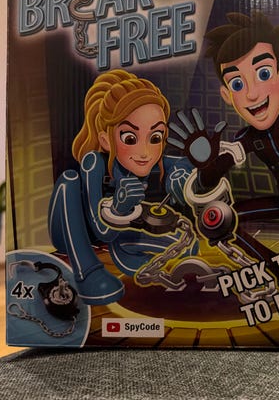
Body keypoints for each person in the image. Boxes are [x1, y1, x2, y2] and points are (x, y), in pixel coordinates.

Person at [168, 8, 279, 326]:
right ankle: (274, 265)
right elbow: (212, 177)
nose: (251, 93)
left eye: (263, 74)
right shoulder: (246, 139)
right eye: (237, 83)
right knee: (222, 218)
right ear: (227, 95)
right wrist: (205, 164)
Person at [49, 69, 195, 305]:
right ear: (106, 140)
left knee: (189, 247)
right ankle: (88, 273)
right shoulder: (94, 164)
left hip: (116, 236)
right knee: (68, 181)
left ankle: (129, 258)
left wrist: (185, 175)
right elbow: (101, 231)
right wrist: (119, 207)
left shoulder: (151, 161)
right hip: (73, 231)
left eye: (155, 137)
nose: (144, 152)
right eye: (130, 138)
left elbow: (186, 164)